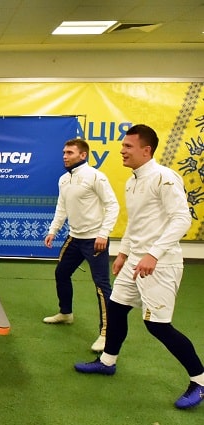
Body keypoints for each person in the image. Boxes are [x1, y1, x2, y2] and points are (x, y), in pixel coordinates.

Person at [75, 124, 204, 410]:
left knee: (157, 326)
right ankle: (107, 361)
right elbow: (136, 222)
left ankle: (200, 379)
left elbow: (182, 219)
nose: (122, 150)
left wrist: (153, 254)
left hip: (161, 263)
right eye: (123, 145)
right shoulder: (132, 181)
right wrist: (124, 253)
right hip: (135, 260)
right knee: (117, 308)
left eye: (128, 146)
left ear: (146, 150)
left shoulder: (164, 178)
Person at [43, 138, 119, 353]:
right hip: (74, 238)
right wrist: (53, 230)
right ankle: (66, 313)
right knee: (61, 273)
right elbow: (62, 207)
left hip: (95, 240)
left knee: (101, 286)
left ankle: (106, 333)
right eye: (64, 152)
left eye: (69, 152)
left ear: (83, 155)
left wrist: (103, 234)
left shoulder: (95, 176)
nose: (65, 156)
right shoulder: (63, 180)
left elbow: (112, 206)